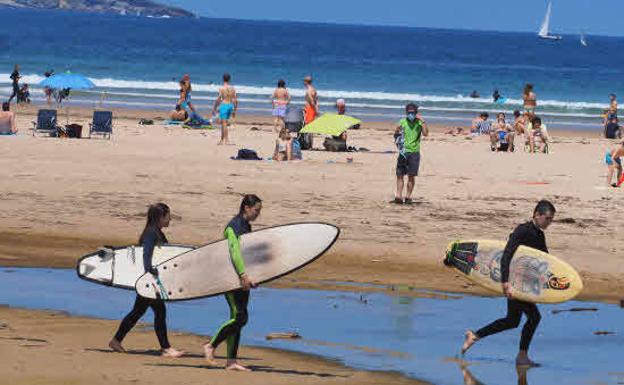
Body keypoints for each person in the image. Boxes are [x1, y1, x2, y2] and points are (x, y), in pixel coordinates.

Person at [461, 200, 557, 367]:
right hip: (513, 282)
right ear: (537, 214)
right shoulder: (522, 231)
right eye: (548, 218)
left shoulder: (539, 235)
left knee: (513, 320)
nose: (549, 222)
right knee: (533, 317)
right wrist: (505, 282)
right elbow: (506, 255)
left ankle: (475, 336)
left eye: (551, 219)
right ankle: (521, 356)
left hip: (524, 284)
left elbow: (544, 259)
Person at [109, 203, 183, 358]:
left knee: (138, 312)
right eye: (168, 215)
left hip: (149, 280)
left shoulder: (156, 232)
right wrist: (150, 270)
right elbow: (146, 253)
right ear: (160, 217)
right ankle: (166, 348)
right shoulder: (151, 233)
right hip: (149, 281)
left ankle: (116, 340)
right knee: (158, 311)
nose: (170, 219)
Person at [203, 195, 262, 371]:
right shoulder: (234, 226)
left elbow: (247, 254)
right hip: (231, 278)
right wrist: (243, 275)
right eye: (256, 210)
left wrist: (253, 277)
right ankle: (211, 346)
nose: (258, 214)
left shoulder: (246, 226)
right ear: (246, 207)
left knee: (238, 318)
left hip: (242, 278)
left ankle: (231, 361)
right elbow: (235, 251)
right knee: (239, 317)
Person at [393, 103, 429, 204]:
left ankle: (408, 197)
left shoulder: (419, 123)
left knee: (411, 175)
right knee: (399, 175)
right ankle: (399, 196)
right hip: (403, 152)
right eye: (409, 112)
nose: (411, 114)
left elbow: (426, 134)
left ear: (416, 113)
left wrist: (423, 121)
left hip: (414, 152)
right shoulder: (402, 122)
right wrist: (397, 130)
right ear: (406, 112)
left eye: (413, 113)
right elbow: (396, 135)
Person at [213, 73, 238, 145]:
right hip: (230, 105)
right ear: (229, 79)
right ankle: (221, 140)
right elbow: (236, 100)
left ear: (223, 79)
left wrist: (214, 108)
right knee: (224, 123)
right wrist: (234, 110)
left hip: (224, 105)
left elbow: (218, 99)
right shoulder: (233, 88)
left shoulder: (221, 88)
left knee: (224, 124)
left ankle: (226, 140)